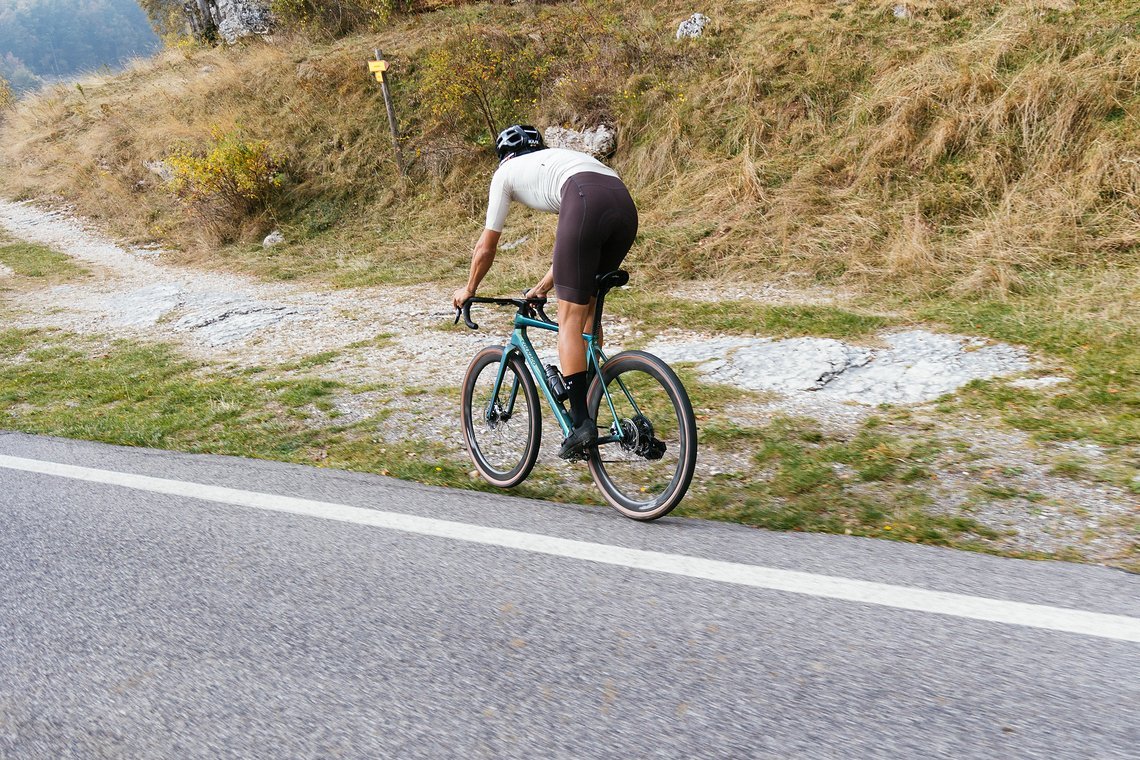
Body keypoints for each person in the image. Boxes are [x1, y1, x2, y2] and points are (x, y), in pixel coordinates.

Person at [452, 125, 639, 460]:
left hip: (584, 199)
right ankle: (595, 388)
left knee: (569, 317)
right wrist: (540, 288)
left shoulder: (506, 173)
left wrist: (469, 288)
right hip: (622, 204)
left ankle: (581, 424)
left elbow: (486, 246)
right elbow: (575, 249)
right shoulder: (556, 162)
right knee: (587, 310)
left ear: (503, 156)